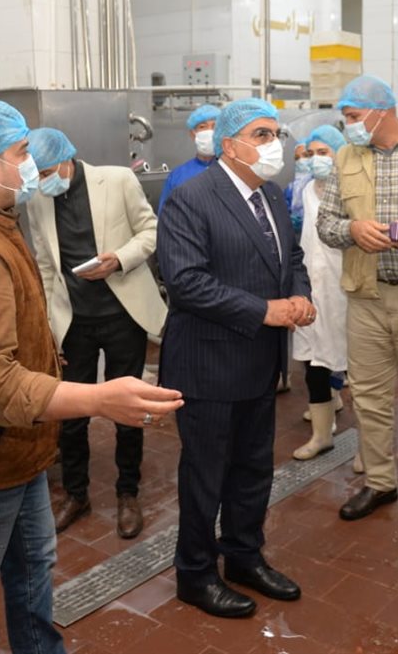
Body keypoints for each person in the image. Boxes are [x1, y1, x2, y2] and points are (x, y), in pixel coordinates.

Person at [0, 100, 183, 652]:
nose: (30, 165)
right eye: (21, 152)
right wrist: (98, 399)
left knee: (31, 566)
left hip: (6, 450)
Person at [157, 97, 313, 619]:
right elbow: (186, 282)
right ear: (230, 145)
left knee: (252, 470)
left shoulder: (270, 195)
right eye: (262, 135)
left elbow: (291, 257)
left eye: (276, 134)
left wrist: (300, 295)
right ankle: (195, 573)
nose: (274, 145)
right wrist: (265, 310)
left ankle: (244, 556)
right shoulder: (191, 198)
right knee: (206, 476)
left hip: (260, 363)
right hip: (208, 364)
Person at [315, 74, 398, 522]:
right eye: (346, 117)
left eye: (354, 116)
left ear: (383, 112)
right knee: (369, 398)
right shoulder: (345, 157)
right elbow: (326, 224)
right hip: (366, 298)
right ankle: (379, 482)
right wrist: (352, 230)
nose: (349, 125)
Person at [24, 127, 167, 540]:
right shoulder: (36, 199)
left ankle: (128, 493)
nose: (44, 182)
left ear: (66, 159)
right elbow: (45, 265)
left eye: (47, 172)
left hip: (123, 315)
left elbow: (151, 232)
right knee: (70, 414)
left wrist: (118, 259)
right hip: (74, 321)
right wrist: (49, 328)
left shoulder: (118, 180)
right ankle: (76, 494)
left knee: (128, 409)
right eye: (37, 175)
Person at [291, 125, 349, 460]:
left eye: (324, 152)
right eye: (311, 154)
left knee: (353, 363)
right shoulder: (305, 191)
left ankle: (368, 449)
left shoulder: (352, 191)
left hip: (343, 291)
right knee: (312, 361)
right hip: (310, 288)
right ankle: (321, 435)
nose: (316, 160)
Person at [158, 103, 219, 213]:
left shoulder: (233, 171)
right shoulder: (177, 176)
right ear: (192, 134)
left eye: (214, 127)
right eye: (202, 127)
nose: (209, 132)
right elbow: (165, 215)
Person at [284, 141, 314, 234]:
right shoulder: (290, 188)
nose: (301, 160)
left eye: (305, 155)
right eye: (297, 158)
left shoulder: (320, 183)